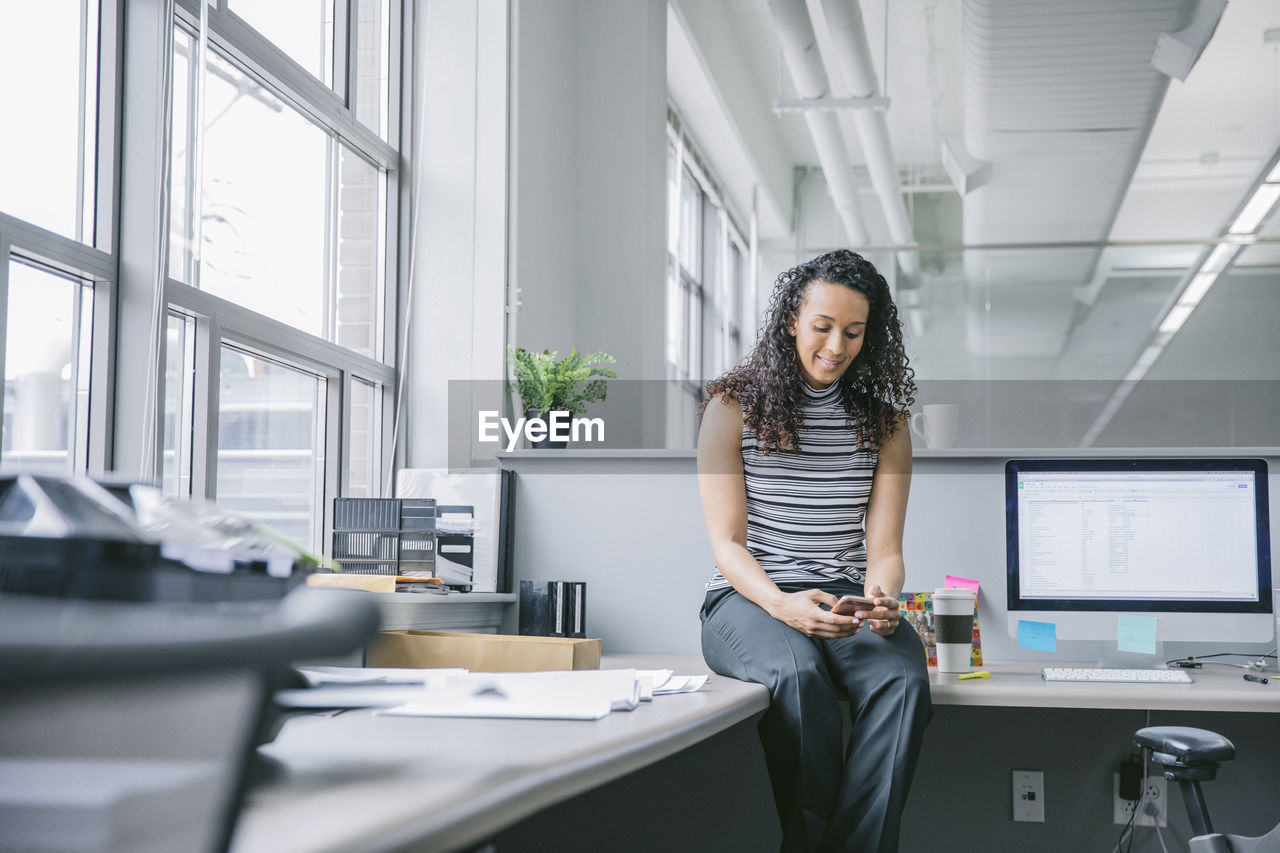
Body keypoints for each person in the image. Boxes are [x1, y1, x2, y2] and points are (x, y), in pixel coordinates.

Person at [696, 249, 931, 853]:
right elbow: (727, 544)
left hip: (847, 598)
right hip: (748, 599)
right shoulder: (730, 408)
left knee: (903, 679)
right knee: (796, 677)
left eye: (853, 332)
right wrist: (781, 605)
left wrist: (883, 598)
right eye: (823, 326)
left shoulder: (887, 424)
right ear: (791, 322)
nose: (836, 345)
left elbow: (884, 547)